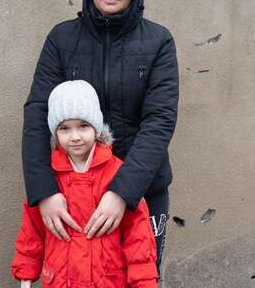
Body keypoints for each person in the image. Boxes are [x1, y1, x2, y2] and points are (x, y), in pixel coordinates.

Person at [21, 0, 178, 270]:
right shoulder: (62, 39)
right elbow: (37, 114)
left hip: (142, 194)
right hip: (73, 196)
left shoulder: (158, 41)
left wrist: (122, 192)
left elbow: (159, 121)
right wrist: (44, 193)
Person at [12, 80, 158, 287]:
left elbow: (138, 236)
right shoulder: (47, 179)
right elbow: (32, 230)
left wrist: (144, 282)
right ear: (55, 133)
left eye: (83, 126)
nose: (75, 137)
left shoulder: (118, 174)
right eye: (64, 128)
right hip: (60, 280)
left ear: (96, 128)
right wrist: (26, 274)